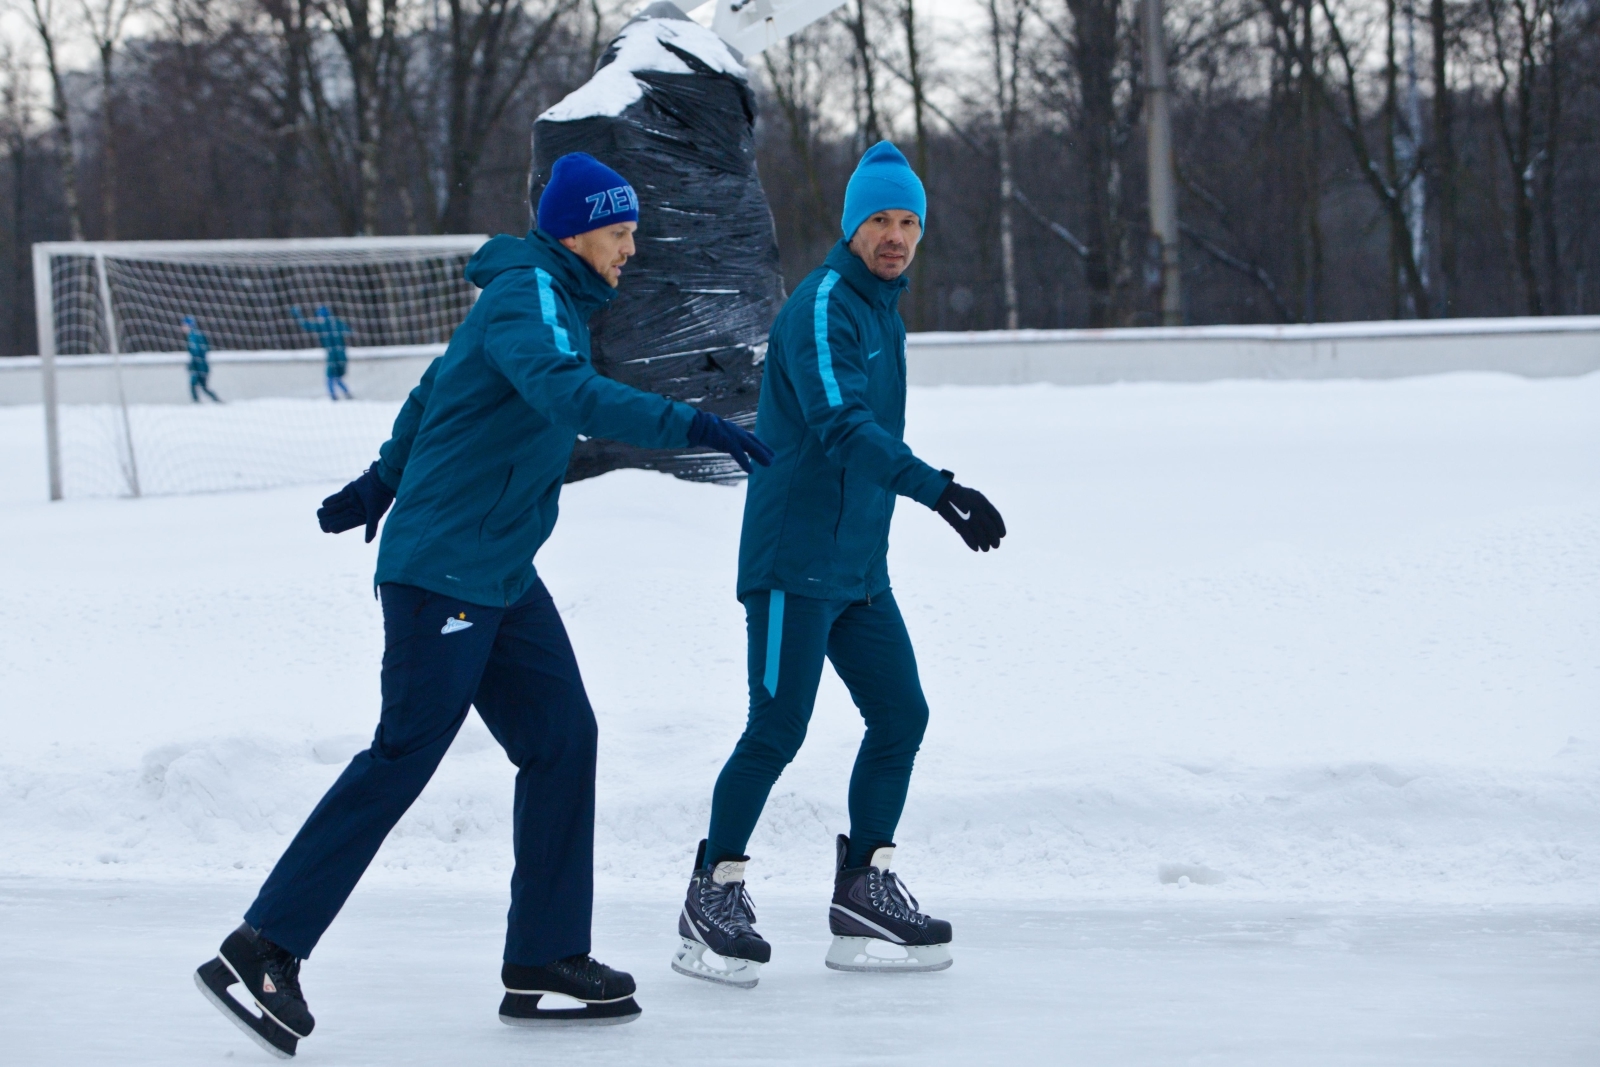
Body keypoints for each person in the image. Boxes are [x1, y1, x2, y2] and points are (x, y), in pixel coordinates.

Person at [194, 152, 774, 1059]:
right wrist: (689, 423)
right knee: (403, 753)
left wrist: (375, 483)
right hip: (445, 575)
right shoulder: (530, 298)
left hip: (498, 569)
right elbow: (562, 391)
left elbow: (436, 390)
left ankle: (544, 953)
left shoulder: (549, 301)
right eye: (620, 234)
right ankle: (261, 946)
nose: (630, 251)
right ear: (578, 230)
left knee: (562, 736)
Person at [670, 142, 1006, 990]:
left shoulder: (882, 313)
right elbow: (840, 425)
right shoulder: (824, 306)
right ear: (852, 225)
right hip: (793, 561)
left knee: (902, 714)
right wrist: (940, 491)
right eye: (880, 221)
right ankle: (713, 889)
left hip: (858, 566)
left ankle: (863, 886)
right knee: (777, 727)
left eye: (908, 222)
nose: (895, 236)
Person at [292, 304, 352, 400]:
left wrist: (298, 315)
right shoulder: (337, 322)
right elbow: (349, 331)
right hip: (342, 355)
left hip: (333, 356)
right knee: (336, 378)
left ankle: (333, 397)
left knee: (330, 378)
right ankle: (347, 394)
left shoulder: (322, 325)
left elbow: (305, 325)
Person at [183, 315, 222, 402]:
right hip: (202, 365)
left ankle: (197, 403)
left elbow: (197, 351)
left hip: (199, 366)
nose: (182, 327)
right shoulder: (197, 334)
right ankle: (217, 401)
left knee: (194, 385)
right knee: (203, 387)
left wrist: (193, 364)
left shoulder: (193, 336)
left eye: (184, 325)